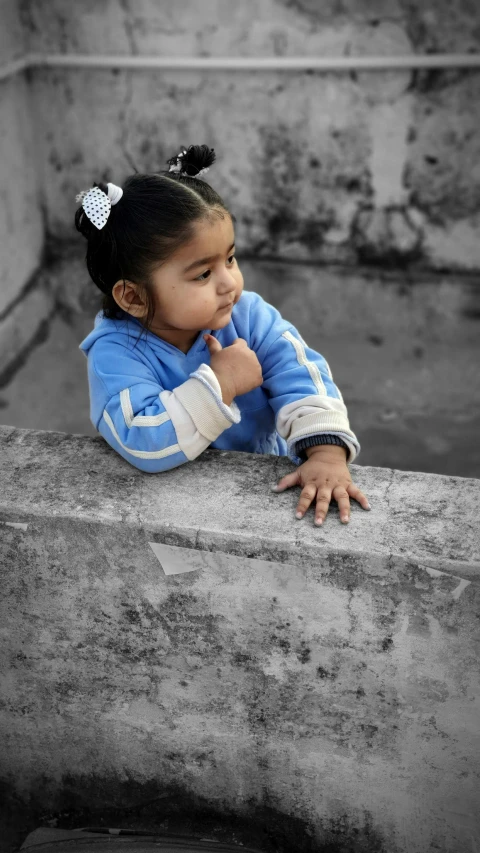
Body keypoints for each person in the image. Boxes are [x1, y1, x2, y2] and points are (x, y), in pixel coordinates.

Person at [76, 144, 371, 527]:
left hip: (264, 489)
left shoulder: (247, 316)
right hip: (179, 518)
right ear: (134, 296)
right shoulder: (115, 355)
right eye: (202, 274)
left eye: (230, 259)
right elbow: (142, 440)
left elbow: (301, 374)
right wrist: (220, 383)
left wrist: (326, 452)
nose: (229, 282)